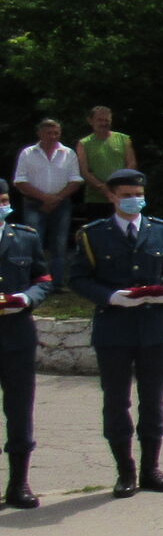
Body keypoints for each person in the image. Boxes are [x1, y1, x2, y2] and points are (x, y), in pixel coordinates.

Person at [70, 168, 163, 497]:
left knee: (153, 400)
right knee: (117, 401)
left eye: (138, 194)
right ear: (111, 197)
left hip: (154, 328)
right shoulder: (93, 234)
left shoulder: (160, 229)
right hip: (114, 329)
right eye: (126, 195)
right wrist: (109, 296)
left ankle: (152, 468)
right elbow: (77, 278)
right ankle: (125, 471)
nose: (134, 200)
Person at [0, 178, 51, 508]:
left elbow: (42, 279)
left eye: (4, 200)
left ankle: (19, 483)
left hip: (16, 334)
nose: (2, 205)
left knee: (20, 411)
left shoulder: (25, 237)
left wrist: (27, 298)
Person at [12, 119, 82, 290]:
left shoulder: (68, 153)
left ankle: (57, 283)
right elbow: (20, 181)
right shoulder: (28, 153)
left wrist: (56, 199)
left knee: (59, 245)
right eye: (49, 133)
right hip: (34, 203)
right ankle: (35, 281)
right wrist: (45, 198)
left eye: (56, 133)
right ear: (40, 133)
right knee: (33, 243)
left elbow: (76, 180)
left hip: (62, 203)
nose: (53, 136)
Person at [76, 106, 137, 225]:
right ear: (90, 121)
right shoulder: (84, 143)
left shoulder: (123, 139)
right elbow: (84, 171)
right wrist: (104, 189)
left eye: (107, 120)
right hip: (96, 199)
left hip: (123, 197)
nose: (104, 123)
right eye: (100, 120)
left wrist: (119, 187)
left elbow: (132, 164)